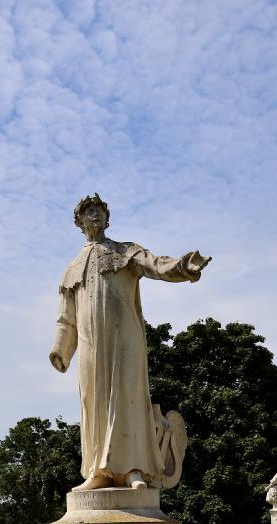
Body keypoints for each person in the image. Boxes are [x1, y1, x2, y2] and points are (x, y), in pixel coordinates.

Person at [49, 193, 211, 491]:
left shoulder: (125, 252)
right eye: (88, 212)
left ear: (107, 219)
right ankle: (99, 471)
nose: (94, 215)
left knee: (128, 399)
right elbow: (65, 317)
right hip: (89, 344)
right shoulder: (72, 268)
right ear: (79, 221)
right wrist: (61, 349)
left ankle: (134, 468)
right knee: (93, 402)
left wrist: (184, 266)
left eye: (99, 211)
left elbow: (157, 265)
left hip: (125, 339)